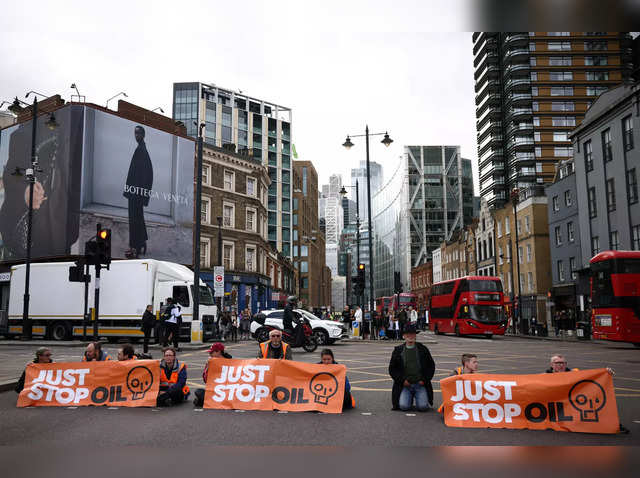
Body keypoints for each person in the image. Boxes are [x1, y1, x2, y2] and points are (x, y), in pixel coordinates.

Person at [123, 125, 153, 259]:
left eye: (138, 133)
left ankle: (135, 246)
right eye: (135, 133)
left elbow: (146, 174)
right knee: (137, 218)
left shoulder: (141, 150)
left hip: (136, 193)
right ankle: (141, 242)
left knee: (134, 219)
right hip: (136, 192)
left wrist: (139, 192)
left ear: (143, 135)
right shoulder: (141, 149)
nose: (136, 136)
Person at [388, 325, 435, 411]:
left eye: (413, 334)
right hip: (405, 385)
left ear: (415, 336)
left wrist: (424, 380)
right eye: (408, 334)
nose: (410, 336)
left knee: (423, 407)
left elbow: (431, 366)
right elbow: (392, 369)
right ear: (404, 336)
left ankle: (419, 399)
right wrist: (402, 381)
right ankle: (409, 399)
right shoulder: (398, 350)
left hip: (420, 385)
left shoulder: (422, 349)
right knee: (404, 407)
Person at [193, 342, 232, 407]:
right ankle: (209, 400)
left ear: (218, 352)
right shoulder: (210, 362)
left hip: (228, 391)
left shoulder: (231, 363)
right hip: (215, 391)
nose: (210, 354)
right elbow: (206, 380)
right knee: (198, 391)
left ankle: (207, 401)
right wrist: (208, 366)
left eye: (211, 352)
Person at [545, 354, 615, 375]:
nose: (561, 365)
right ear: (552, 365)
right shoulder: (545, 376)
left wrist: (606, 373)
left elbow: (590, 376)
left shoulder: (574, 374)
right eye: (558, 363)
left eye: (563, 363)